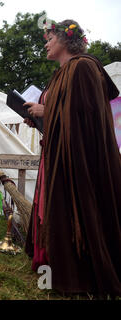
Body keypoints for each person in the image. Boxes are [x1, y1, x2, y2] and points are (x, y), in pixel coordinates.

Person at [23, 19, 121, 296]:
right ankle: (53, 260)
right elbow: (62, 113)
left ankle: (79, 271)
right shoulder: (62, 73)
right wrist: (39, 117)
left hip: (79, 160)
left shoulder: (84, 67)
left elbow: (85, 114)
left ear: (66, 40)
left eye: (50, 38)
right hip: (57, 153)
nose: (46, 43)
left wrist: (47, 110)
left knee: (76, 208)